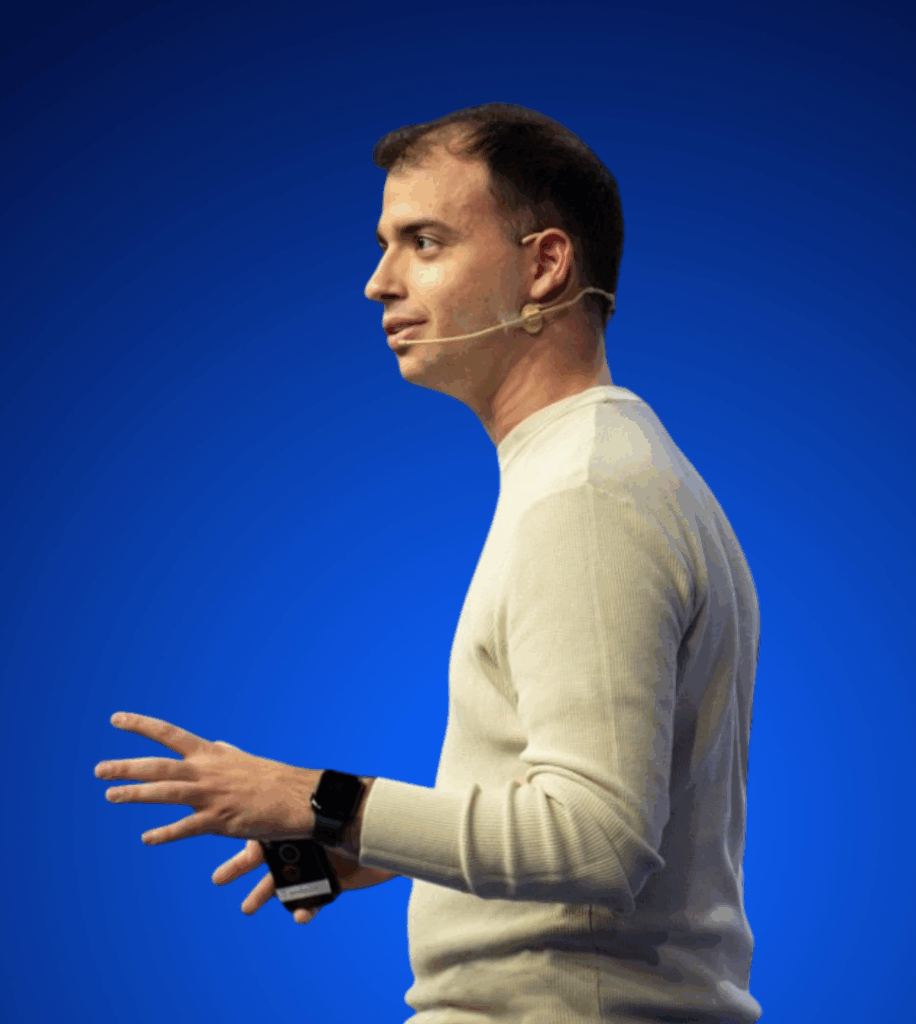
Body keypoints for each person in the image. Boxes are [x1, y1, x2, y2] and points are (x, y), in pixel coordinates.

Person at [95, 103, 763, 1024]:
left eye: (425, 242)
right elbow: (576, 815)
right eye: (385, 246)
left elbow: (597, 840)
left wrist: (309, 798)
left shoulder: (586, 493)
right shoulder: (602, 472)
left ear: (545, 265)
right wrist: (377, 844)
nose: (379, 282)